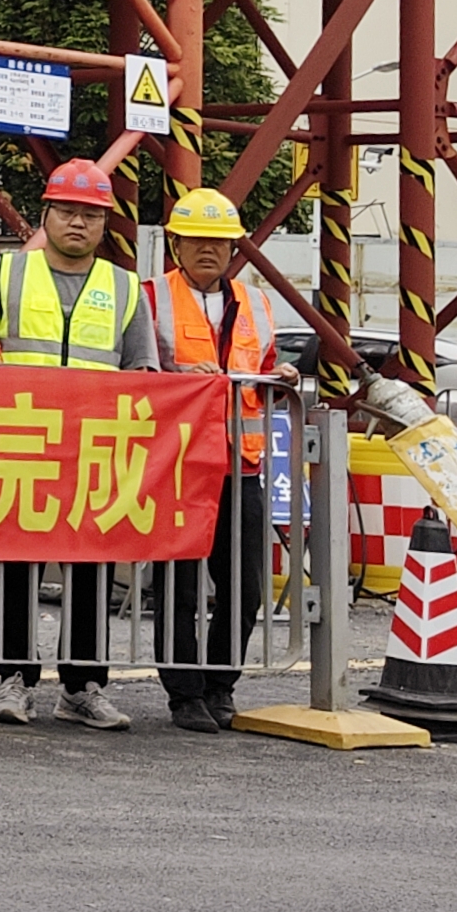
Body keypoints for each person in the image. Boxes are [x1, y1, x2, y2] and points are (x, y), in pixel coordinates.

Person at [0, 156, 153, 729]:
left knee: (90, 570)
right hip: (21, 443)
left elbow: (142, 374)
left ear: (105, 224)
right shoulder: (4, 276)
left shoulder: (125, 287)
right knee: (15, 566)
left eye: (90, 215)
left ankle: (82, 686)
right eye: (67, 212)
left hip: (93, 452)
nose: (77, 223)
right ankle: (14, 679)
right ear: (46, 215)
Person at [149, 184, 269, 734]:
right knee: (178, 584)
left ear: (233, 249)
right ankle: (185, 693)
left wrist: (277, 381)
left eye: (217, 242)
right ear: (175, 244)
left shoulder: (258, 305)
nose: (207, 251)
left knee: (245, 584)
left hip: (240, 465)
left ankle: (222, 683)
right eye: (195, 240)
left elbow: (262, 368)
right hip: (178, 466)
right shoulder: (152, 298)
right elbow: (141, 376)